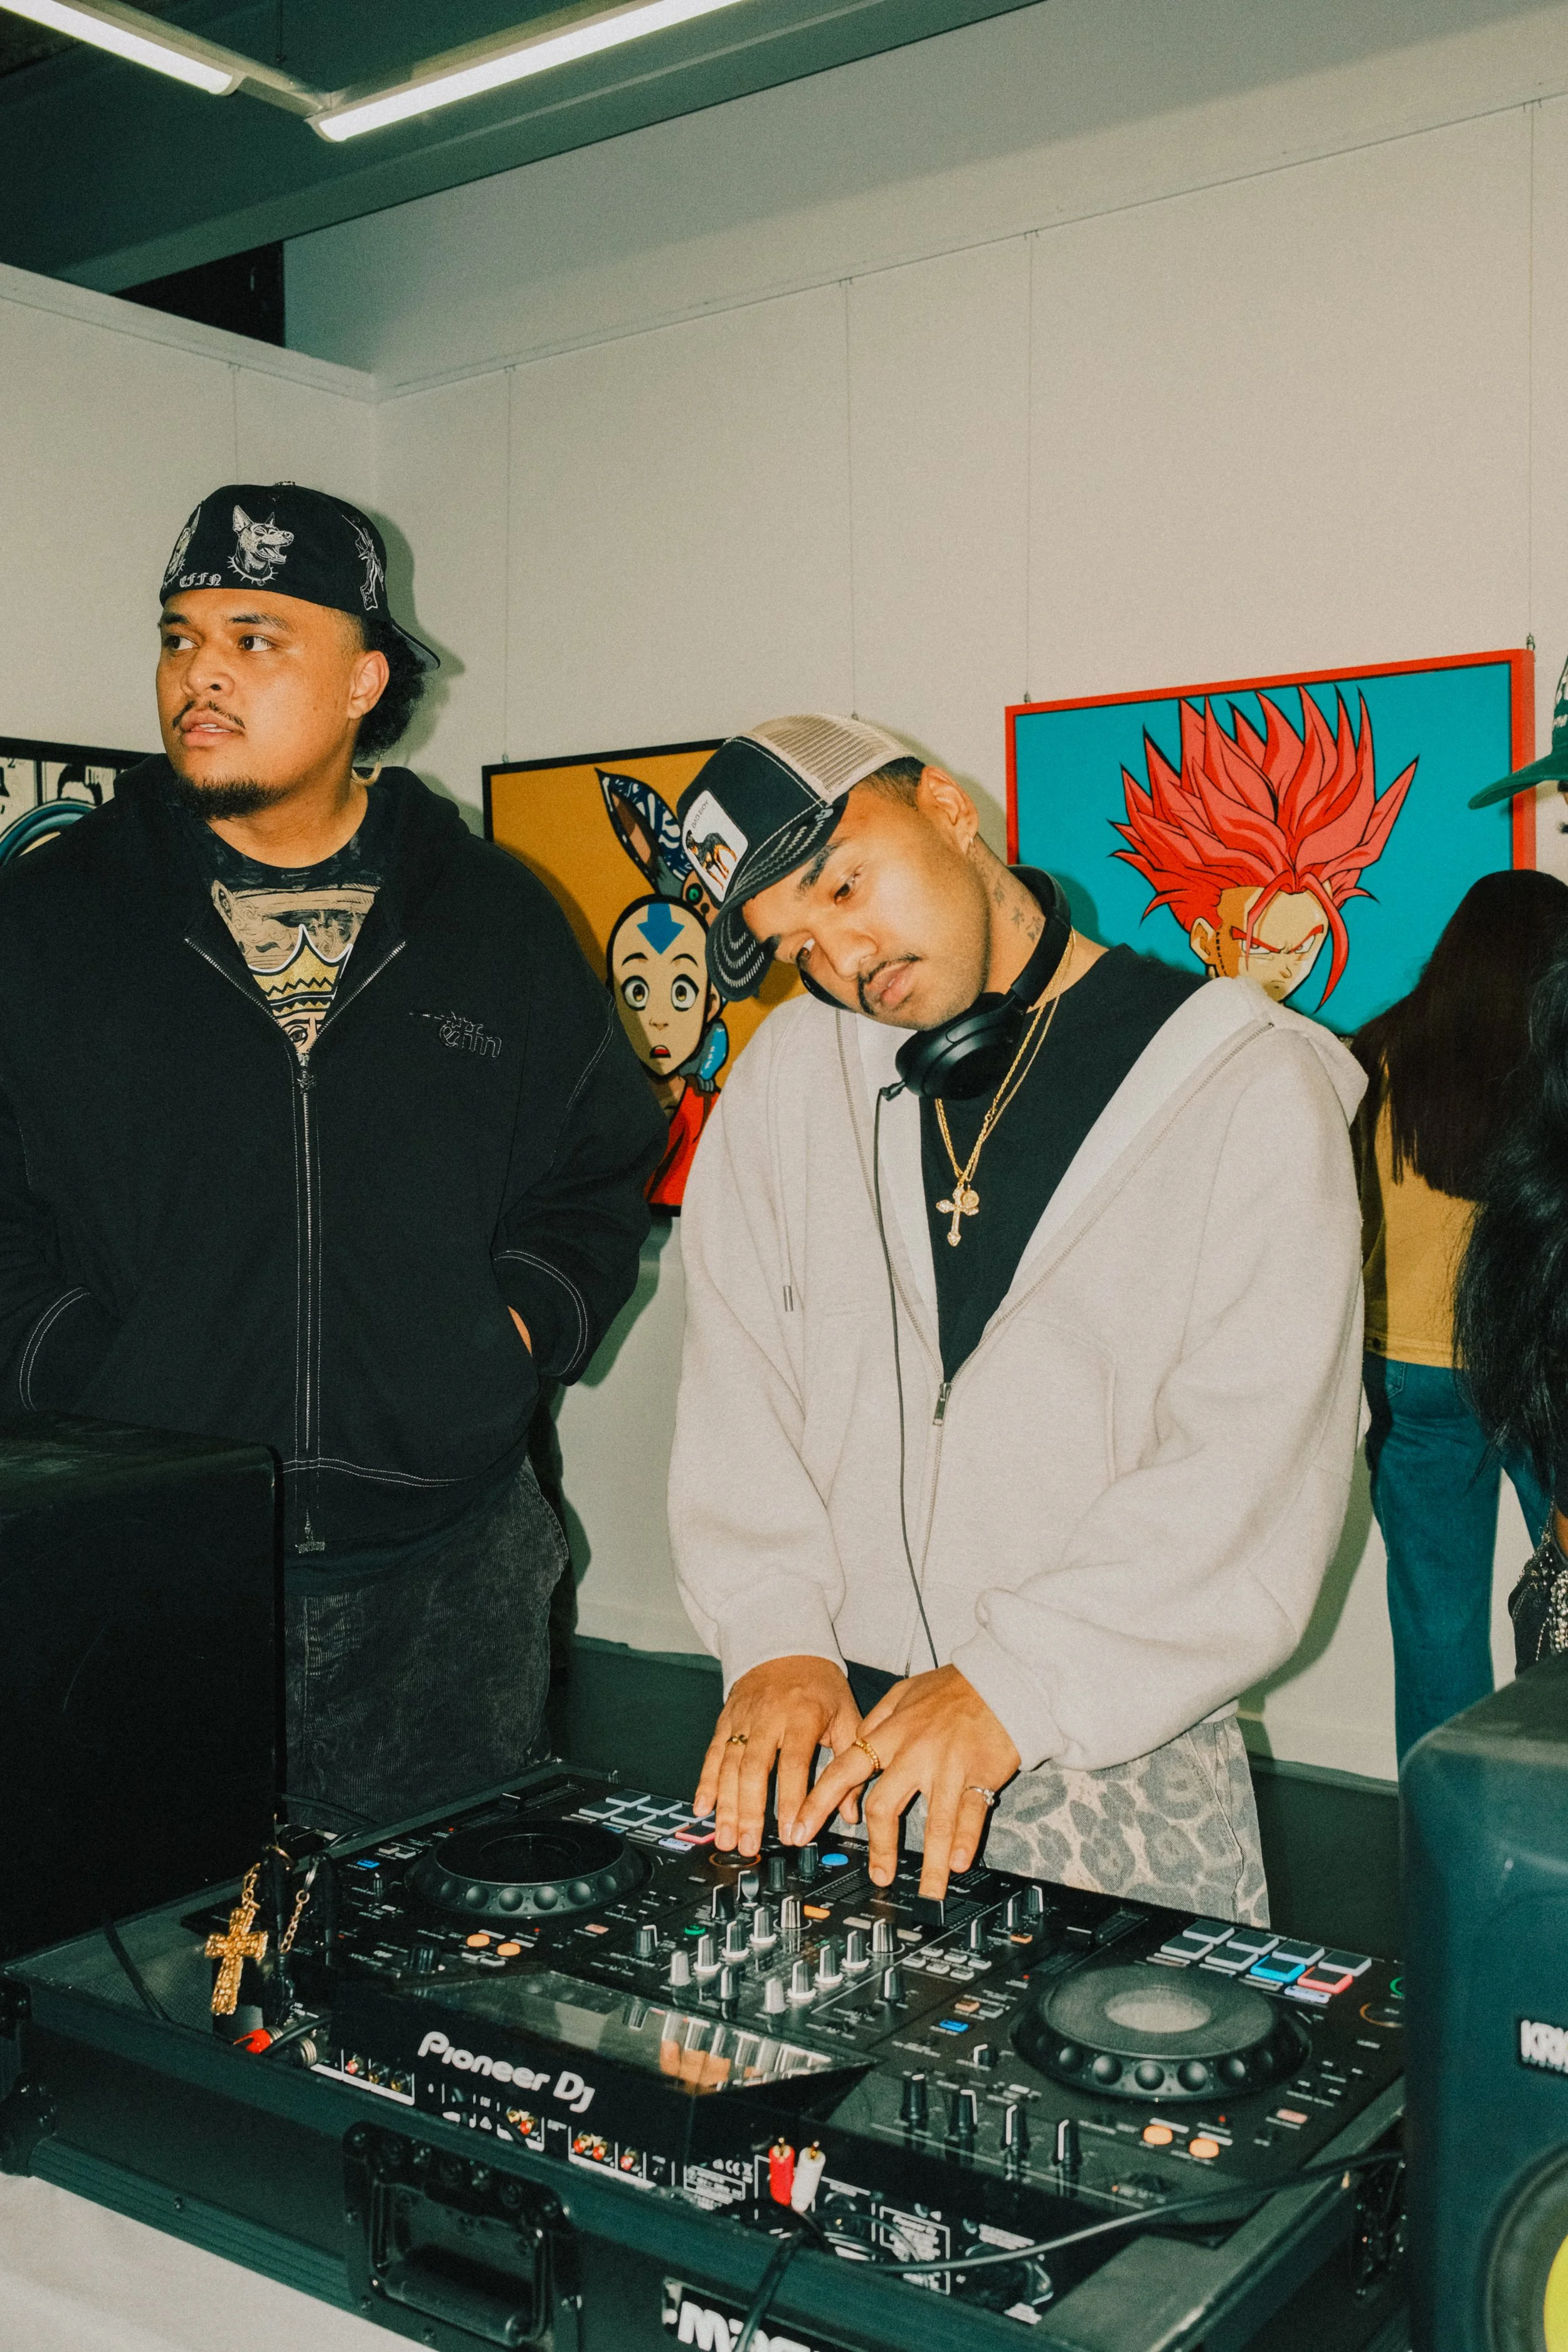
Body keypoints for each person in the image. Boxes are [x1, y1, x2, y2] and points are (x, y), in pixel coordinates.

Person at [0, 483, 664, 1830]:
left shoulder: (492, 917)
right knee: (151, 1985)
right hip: (137, 1556)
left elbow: (600, 1161)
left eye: (256, 640)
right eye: (180, 636)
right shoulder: (48, 924)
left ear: (365, 677)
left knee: (442, 1986)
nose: (201, 674)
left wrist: (520, 1324)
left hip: (450, 1575)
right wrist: (71, 1368)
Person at [668, 712, 1367, 1920]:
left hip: (1110, 1747)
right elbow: (739, 1382)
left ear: (948, 808)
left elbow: (1254, 1462)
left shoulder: (1250, 1082)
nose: (844, 955)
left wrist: (1011, 1683)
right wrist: (774, 1633)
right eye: (798, 944)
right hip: (832, 1733)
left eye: (845, 882)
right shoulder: (788, 1078)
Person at [1352, 872, 1568, 1760]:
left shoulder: (1377, 1051)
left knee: (1434, 1624)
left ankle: (1444, 1846)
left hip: (1406, 1371)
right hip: (1533, 1362)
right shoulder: (1548, 1062)